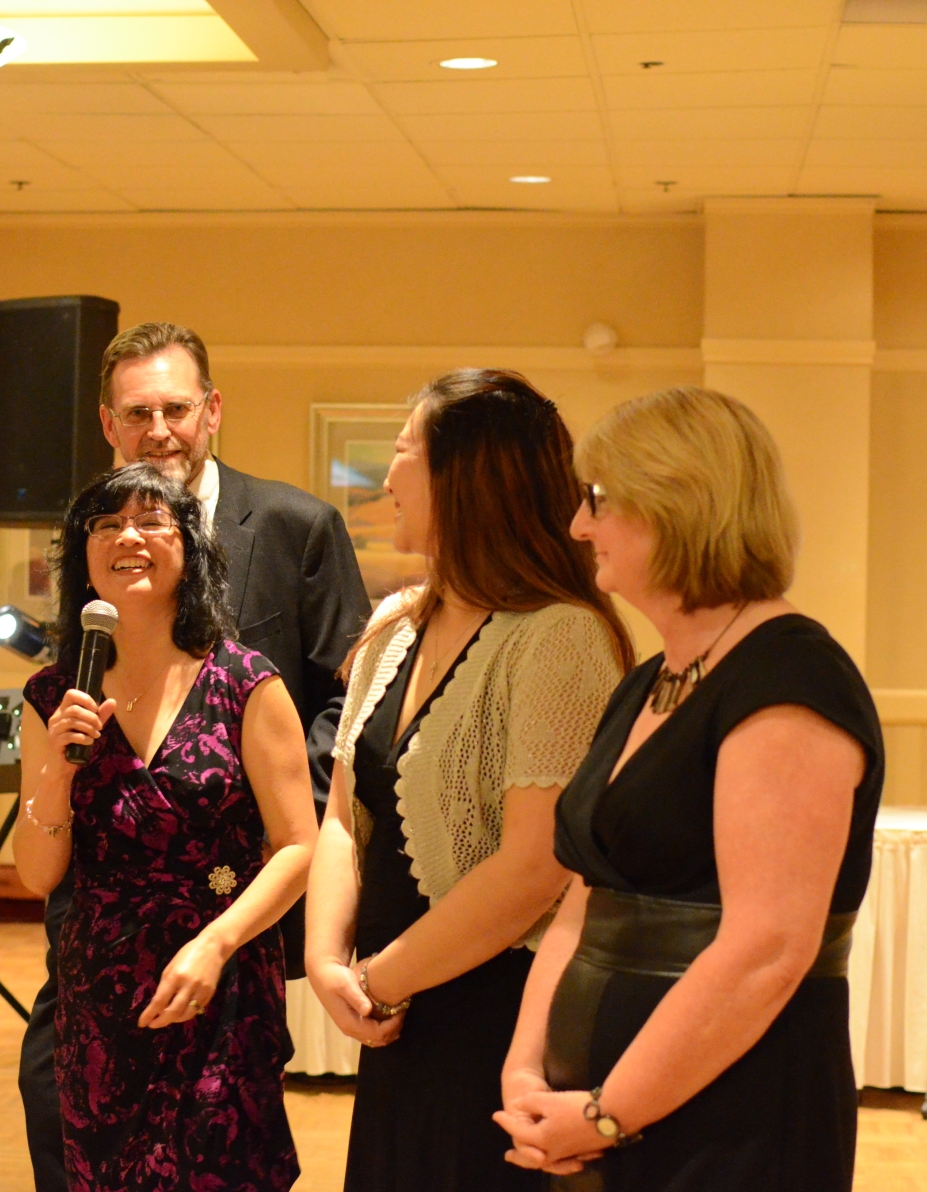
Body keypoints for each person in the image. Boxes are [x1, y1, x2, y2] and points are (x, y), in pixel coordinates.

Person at [495, 387, 885, 1191]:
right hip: (599, 1117)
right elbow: (585, 897)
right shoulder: (649, 681)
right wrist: (526, 1072)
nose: (579, 526)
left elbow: (765, 950)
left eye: (597, 499)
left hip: (730, 1122)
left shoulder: (790, 677)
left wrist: (608, 1113)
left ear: (674, 501)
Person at [21, 321, 369, 1190]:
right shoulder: (70, 666)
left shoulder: (294, 533)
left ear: (211, 411)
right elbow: (40, 858)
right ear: (109, 425)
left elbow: (349, 700)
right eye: (138, 413)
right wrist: (58, 776)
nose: (159, 431)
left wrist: (266, 819)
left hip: (232, 911)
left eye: (175, 409)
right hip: (99, 942)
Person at [304, 369, 634, 1192]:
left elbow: (534, 868)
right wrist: (325, 961)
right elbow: (343, 816)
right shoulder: (395, 624)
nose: (386, 476)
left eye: (403, 451)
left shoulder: (558, 637)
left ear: (466, 478)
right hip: (400, 1017)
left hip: (495, 1018)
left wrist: (376, 980)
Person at [12, 464, 318, 1192]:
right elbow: (37, 873)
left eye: (152, 521)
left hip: (221, 986)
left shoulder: (245, 681)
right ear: (83, 558)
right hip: (102, 1001)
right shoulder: (53, 694)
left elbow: (299, 847)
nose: (129, 538)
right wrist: (56, 773)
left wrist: (215, 945)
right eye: (107, 525)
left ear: (191, 547)